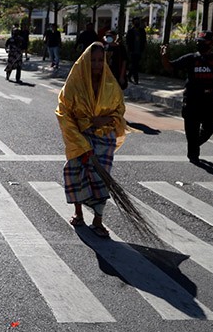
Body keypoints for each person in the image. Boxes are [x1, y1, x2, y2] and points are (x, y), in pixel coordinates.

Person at [56, 43, 127, 238]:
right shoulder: (74, 84)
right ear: (85, 61)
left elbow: (119, 111)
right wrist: (82, 139)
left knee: (100, 178)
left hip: (104, 139)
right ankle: (78, 213)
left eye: (100, 60)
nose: (96, 65)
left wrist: (104, 120)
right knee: (75, 173)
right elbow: (64, 112)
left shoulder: (111, 86)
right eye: (93, 60)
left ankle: (98, 220)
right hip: (79, 137)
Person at [160, 31, 213, 164]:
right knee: (191, 130)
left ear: (212, 43)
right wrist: (164, 56)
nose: (200, 44)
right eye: (198, 41)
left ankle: (195, 144)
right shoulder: (191, 58)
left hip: (210, 100)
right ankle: (193, 153)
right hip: (192, 100)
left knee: (210, 126)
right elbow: (169, 67)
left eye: (203, 42)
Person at [125, 18, 146, 84]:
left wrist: (144, 48)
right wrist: (128, 50)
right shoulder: (130, 31)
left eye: (138, 22)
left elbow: (144, 40)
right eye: (136, 22)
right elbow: (128, 41)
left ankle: (129, 76)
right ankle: (136, 79)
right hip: (132, 50)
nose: (137, 23)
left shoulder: (142, 31)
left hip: (139, 50)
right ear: (133, 23)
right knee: (135, 65)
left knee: (135, 65)